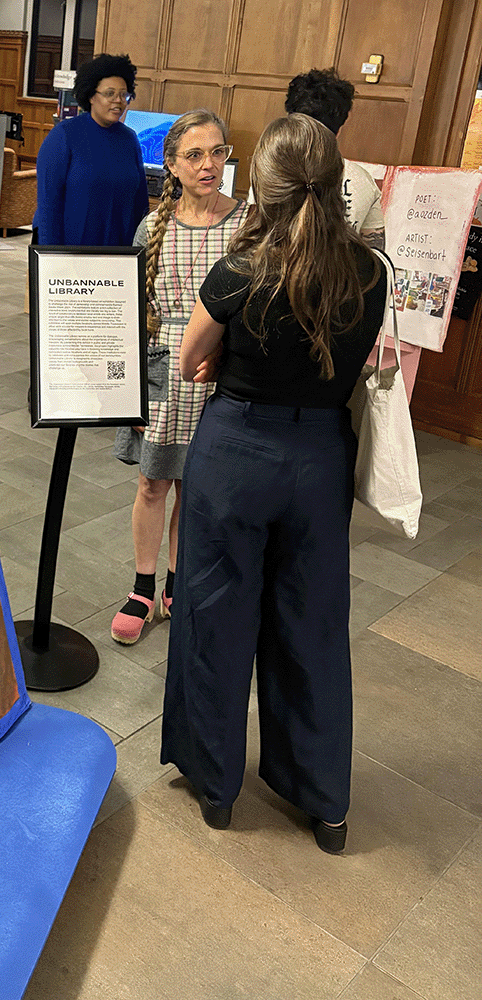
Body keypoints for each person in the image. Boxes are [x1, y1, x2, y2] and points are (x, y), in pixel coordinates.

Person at [160, 114, 388, 854]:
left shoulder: (239, 269)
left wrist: (231, 363)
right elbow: (348, 366)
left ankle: (218, 786)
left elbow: (191, 358)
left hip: (237, 451)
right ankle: (323, 802)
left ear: (263, 184)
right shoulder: (371, 272)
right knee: (312, 625)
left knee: (215, 612)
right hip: (319, 458)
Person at [110, 111, 246, 644]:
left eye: (218, 152)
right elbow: (133, 307)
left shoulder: (247, 224)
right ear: (171, 164)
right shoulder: (154, 226)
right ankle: (143, 586)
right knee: (153, 482)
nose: (209, 165)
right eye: (194, 155)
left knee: (197, 488)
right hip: (165, 372)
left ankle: (177, 579)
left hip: (220, 374)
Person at [34, 53, 148, 246]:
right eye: (109, 93)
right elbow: (48, 207)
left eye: (123, 94)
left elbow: (140, 203)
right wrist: (50, 259)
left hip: (119, 251)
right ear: (91, 96)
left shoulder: (130, 139)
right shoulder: (63, 136)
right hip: (71, 252)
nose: (118, 100)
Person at [284, 67, 385, 248]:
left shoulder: (269, 170)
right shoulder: (362, 180)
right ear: (340, 127)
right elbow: (376, 254)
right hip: (342, 274)